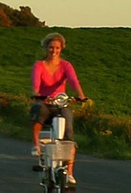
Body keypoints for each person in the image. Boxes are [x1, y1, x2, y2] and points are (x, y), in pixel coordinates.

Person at [29, 32, 87, 185]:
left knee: (69, 132)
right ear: (46, 48)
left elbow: (74, 81)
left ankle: (70, 173)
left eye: (57, 48)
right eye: (51, 47)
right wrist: (37, 94)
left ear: (61, 49)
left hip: (61, 103)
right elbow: (35, 84)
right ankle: (36, 145)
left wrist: (81, 96)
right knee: (38, 111)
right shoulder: (39, 65)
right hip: (45, 102)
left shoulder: (66, 65)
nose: (53, 51)